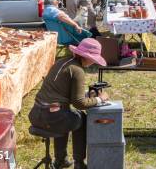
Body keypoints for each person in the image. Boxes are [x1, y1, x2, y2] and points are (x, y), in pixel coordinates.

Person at [29, 38, 108, 169]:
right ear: (86, 57)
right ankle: (79, 162)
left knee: (67, 115)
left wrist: (88, 96)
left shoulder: (61, 62)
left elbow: (65, 95)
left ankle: (61, 159)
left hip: (36, 113)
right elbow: (79, 103)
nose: (94, 61)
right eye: (93, 58)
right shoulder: (77, 70)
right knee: (80, 118)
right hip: (51, 116)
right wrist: (100, 99)